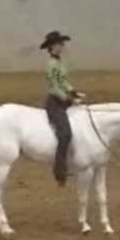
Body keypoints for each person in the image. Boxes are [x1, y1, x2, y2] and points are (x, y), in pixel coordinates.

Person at [40, 31, 86, 186]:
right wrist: (69, 99)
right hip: (55, 102)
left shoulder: (59, 62)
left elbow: (63, 81)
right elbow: (54, 86)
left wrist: (73, 91)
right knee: (65, 133)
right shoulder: (51, 64)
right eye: (60, 44)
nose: (62, 46)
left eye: (62, 43)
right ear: (53, 46)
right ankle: (60, 170)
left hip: (63, 100)